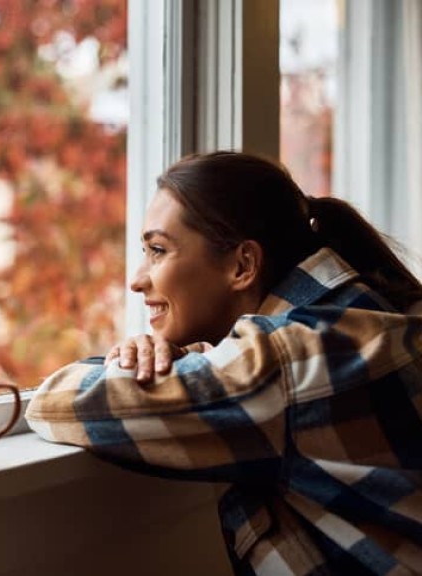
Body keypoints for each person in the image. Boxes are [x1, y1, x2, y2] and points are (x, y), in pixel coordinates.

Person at [25, 151, 422, 575]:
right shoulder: (371, 315)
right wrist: (192, 357)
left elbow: (55, 401)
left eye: (158, 250)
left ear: (242, 265)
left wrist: (146, 361)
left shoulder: (287, 363)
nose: (137, 279)